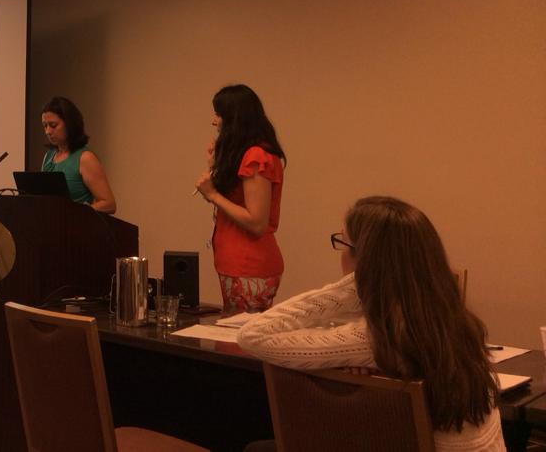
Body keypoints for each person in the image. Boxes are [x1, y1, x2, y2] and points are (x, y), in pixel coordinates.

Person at [237, 196, 506, 452]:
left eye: (343, 243)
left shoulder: (377, 338)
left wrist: (355, 284)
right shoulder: (455, 326)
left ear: (365, 260)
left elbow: (254, 335)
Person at [195, 84, 285, 314]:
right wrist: (214, 165)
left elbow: (256, 222)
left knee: (242, 333)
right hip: (236, 261)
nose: (214, 121)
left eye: (218, 114)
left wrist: (213, 195)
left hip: (249, 263)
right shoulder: (246, 154)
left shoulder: (256, 156)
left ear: (233, 119)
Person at [41, 96, 116, 214]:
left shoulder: (85, 158)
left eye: (53, 125)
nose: (48, 131)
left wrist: (81, 211)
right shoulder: (48, 157)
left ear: (69, 124)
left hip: (75, 224)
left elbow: (109, 204)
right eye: (45, 126)